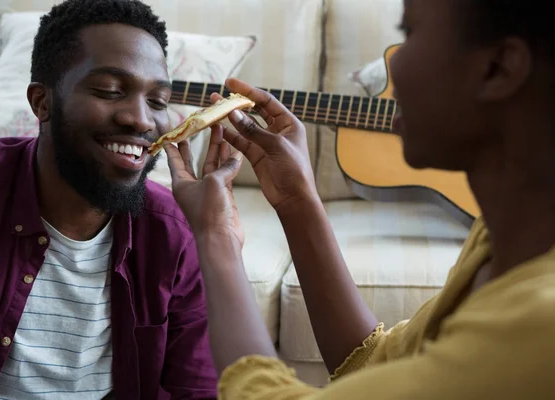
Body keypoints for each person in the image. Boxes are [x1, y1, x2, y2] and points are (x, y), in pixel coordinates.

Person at [164, 0, 555, 398]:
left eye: (410, 34)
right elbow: (376, 364)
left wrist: (215, 236)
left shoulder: (542, 327)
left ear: (500, 68)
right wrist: (297, 199)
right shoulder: (499, 236)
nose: (393, 67)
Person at [0, 0, 218, 399]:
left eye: (159, 101)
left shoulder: (177, 235)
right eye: (110, 91)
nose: (142, 120)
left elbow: (194, 388)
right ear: (42, 102)